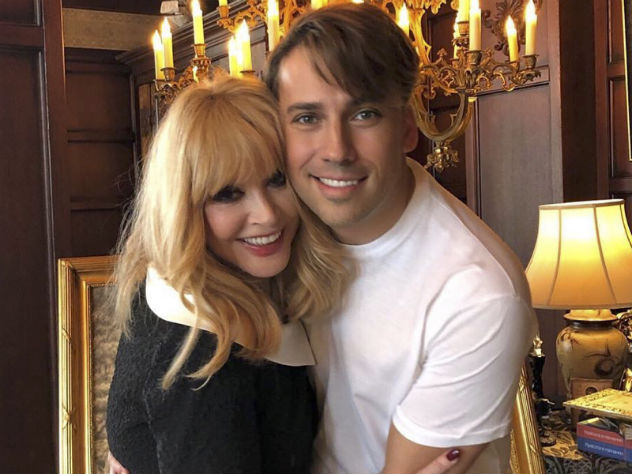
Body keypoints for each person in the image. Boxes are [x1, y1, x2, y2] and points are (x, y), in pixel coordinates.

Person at [264, 3, 538, 473]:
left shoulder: (478, 293)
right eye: (307, 118)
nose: (336, 150)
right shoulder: (278, 228)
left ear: (408, 128)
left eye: (364, 114)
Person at [105, 75, 349, 474]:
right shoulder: (203, 360)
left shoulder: (174, 281)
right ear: (184, 209)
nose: (267, 214)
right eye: (227, 194)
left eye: (277, 179)